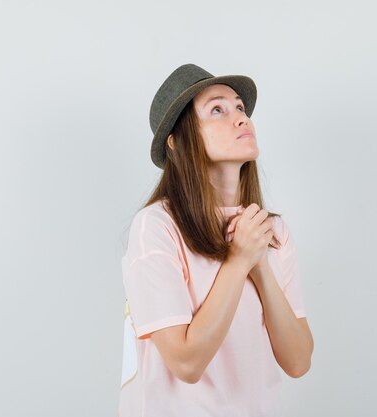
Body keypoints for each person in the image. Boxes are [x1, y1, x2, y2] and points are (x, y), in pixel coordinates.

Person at [118, 63, 314, 417]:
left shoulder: (271, 233)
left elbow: (299, 361)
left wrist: (261, 268)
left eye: (239, 107)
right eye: (217, 110)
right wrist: (238, 262)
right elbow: (187, 362)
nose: (241, 118)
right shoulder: (157, 227)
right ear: (177, 142)